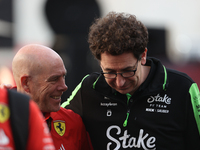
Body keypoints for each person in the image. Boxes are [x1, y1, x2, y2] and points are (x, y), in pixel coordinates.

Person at [61, 12, 200, 150]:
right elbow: (55, 122)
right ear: (99, 63)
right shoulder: (90, 88)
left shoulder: (183, 88)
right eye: (109, 72)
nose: (120, 82)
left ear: (143, 56)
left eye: (128, 71)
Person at [11, 44, 93, 150]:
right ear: (26, 83)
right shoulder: (4, 122)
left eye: (63, 76)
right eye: (54, 79)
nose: (64, 87)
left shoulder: (72, 122)